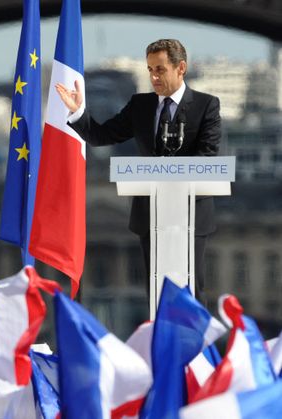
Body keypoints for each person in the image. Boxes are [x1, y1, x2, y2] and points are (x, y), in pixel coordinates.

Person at [56, 39, 221, 301]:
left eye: (160, 69)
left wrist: (166, 172)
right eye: (150, 70)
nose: (154, 77)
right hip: (151, 214)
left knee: (190, 294)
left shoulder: (206, 105)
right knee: (156, 294)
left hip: (190, 215)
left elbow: (208, 155)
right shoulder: (140, 105)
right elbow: (102, 136)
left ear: (181, 68)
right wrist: (78, 113)